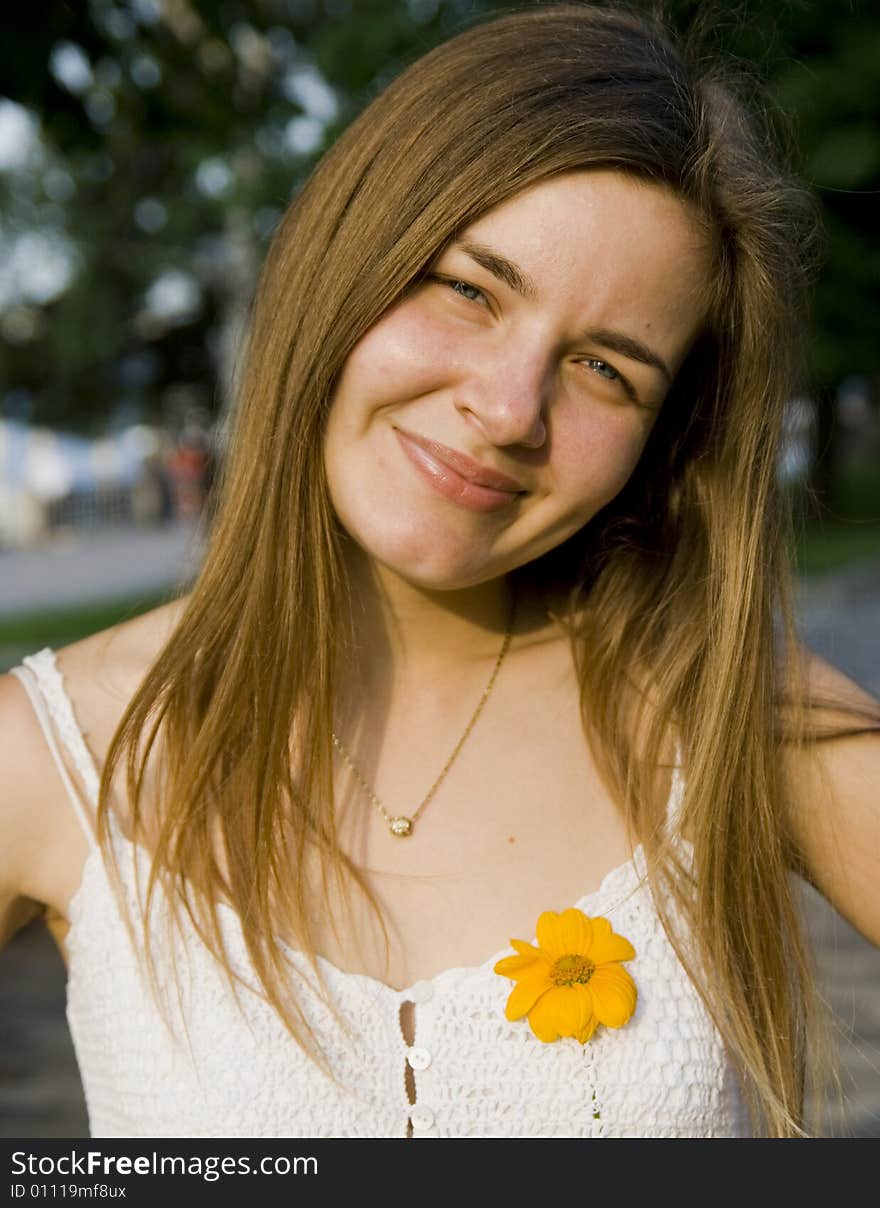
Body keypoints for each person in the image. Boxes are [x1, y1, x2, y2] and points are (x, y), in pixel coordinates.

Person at [1, 2, 878, 1140]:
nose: (509, 409)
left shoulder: (727, 718)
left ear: (663, 438)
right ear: (342, 264)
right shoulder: (54, 752)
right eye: (468, 289)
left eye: (605, 368)